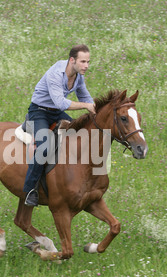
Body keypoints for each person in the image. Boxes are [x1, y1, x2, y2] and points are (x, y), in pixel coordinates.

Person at [23, 44, 96, 206]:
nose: (86, 66)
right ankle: (30, 190)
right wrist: (85, 106)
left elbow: (86, 97)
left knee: (78, 136)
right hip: (39, 112)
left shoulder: (78, 77)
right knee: (45, 148)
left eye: (88, 62)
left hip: (55, 112)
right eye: (83, 62)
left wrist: (96, 111)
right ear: (72, 60)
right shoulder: (55, 74)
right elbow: (61, 103)